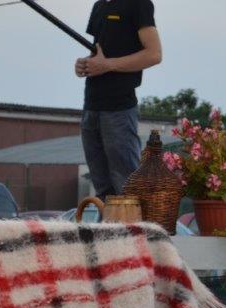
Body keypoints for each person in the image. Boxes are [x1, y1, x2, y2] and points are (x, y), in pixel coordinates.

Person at [75, 0, 161, 200]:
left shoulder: (139, 4)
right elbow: (99, 52)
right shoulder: (99, 6)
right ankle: (108, 228)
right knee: (101, 185)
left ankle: (133, 229)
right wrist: (85, 64)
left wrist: (108, 65)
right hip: (91, 106)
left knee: (126, 184)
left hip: (119, 108)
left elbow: (154, 54)